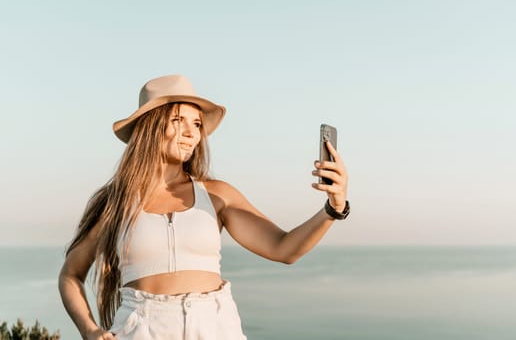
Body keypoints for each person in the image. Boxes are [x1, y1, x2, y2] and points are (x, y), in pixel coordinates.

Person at [58, 74, 349, 340]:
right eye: (177, 121)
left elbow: (284, 248)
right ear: (150, 126)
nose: (191, 133)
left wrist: (332, 208)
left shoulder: (217, 195)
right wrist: (90, 330)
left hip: (214, 326)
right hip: (142, 329)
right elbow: (71, 275)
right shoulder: (116, 202)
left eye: (196, 124)